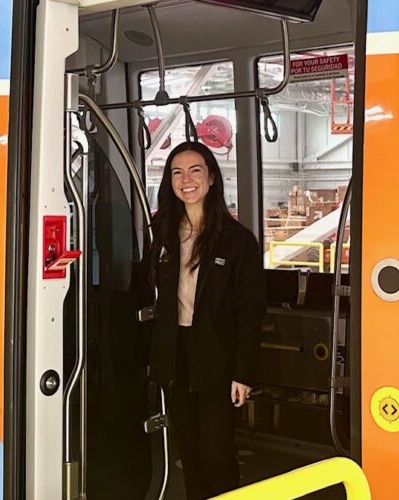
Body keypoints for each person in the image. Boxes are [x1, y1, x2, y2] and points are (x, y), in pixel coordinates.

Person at [144, 141, 266, 499]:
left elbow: (250, 311)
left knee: (217, 454)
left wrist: (243, 373)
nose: (186, 180)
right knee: (190, 455)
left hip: (218, 358)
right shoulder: (162, 234)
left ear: (211, 178)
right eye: (177, 172)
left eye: (195, 170)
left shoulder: (237, 241)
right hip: (175, 356)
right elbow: (149, 296)